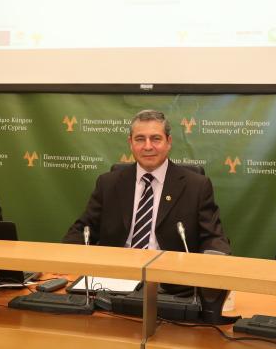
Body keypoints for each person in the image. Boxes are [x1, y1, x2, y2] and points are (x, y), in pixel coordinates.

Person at [63, 109, 230, 255]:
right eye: (140, 139)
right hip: (115, 274)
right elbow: (82, 231)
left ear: (168, 142)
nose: (148, 146)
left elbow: (213, 239)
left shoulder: (196, 186)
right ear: (130, 143)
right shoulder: (108, 184)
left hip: (171, 276)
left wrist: (214, 263)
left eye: (156, 139)